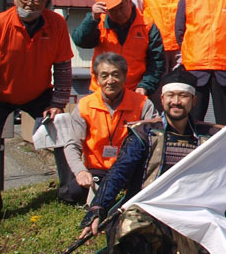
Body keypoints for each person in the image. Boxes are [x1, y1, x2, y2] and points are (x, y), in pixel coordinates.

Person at [77, 70, 220, 254]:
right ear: (162, 99)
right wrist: (98, 209)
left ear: (193, 101)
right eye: (171, 96)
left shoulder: (210, 136)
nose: (177, 102)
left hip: (189, 215)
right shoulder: (143, 133)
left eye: (183, 96)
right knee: (132, 219)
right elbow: (118, 173)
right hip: (148, 212)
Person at [0, 0, 73, 230]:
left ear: (46, 3)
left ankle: (71, 193)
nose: (31, 4)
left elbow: (63, 67)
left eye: (38, 0)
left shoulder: (56, 23)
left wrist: (58, 102)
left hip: (39, 93)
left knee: (64, 131)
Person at [61, 52, 156, 205]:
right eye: (104, 76)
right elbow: (72, 144)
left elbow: (155, 141)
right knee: (73, 193)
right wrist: (81, 171)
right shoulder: (85, 105)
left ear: (125, 76)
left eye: (116, 75)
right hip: (97, 169)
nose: (110, 81)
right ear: (97, 79)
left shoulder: (143, 104)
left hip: (129, 168)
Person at [73, 0, 164, 97]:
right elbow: (81, 41)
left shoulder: (147, 25)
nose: (119, 13)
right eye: (113, 10)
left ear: (129, 0)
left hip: (134, 91)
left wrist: (145, 86)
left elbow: (157, 62)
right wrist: (92, 18)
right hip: (100, 91)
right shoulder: (98, 21)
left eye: (121, 7)